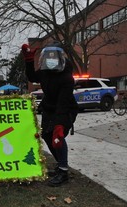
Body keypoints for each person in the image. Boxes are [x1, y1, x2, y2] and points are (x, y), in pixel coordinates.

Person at [21, 41, 78, 187]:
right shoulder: (45, 72)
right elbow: (32, 77)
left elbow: (63, 103)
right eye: (48, 56)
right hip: (48, 108)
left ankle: (64, 172)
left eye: (54, 56)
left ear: (61, 58)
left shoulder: (66, 77)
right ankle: (60, 164)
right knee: (47, 135)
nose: (51, 59)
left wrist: (59, 125)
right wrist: (28, 60)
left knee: (57, 136)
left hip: (65, 109)